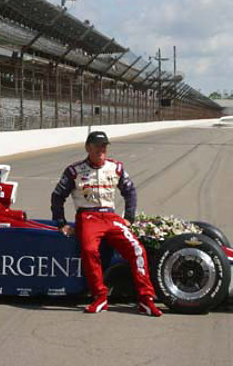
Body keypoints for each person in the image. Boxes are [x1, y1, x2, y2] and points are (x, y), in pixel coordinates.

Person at [51, 131, 162, 316]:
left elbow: (130, 191)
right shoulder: (74, 170)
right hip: (88, 217)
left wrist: (130, 217)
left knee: (137, 249)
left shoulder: (116, 167)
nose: (102, 150)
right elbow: (57, 196)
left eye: (104, 146)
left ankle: (146, 299)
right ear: (88, 147)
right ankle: (100, 296)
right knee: (88, 250)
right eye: (97, 146)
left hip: (111, 217)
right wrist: (61, 222)